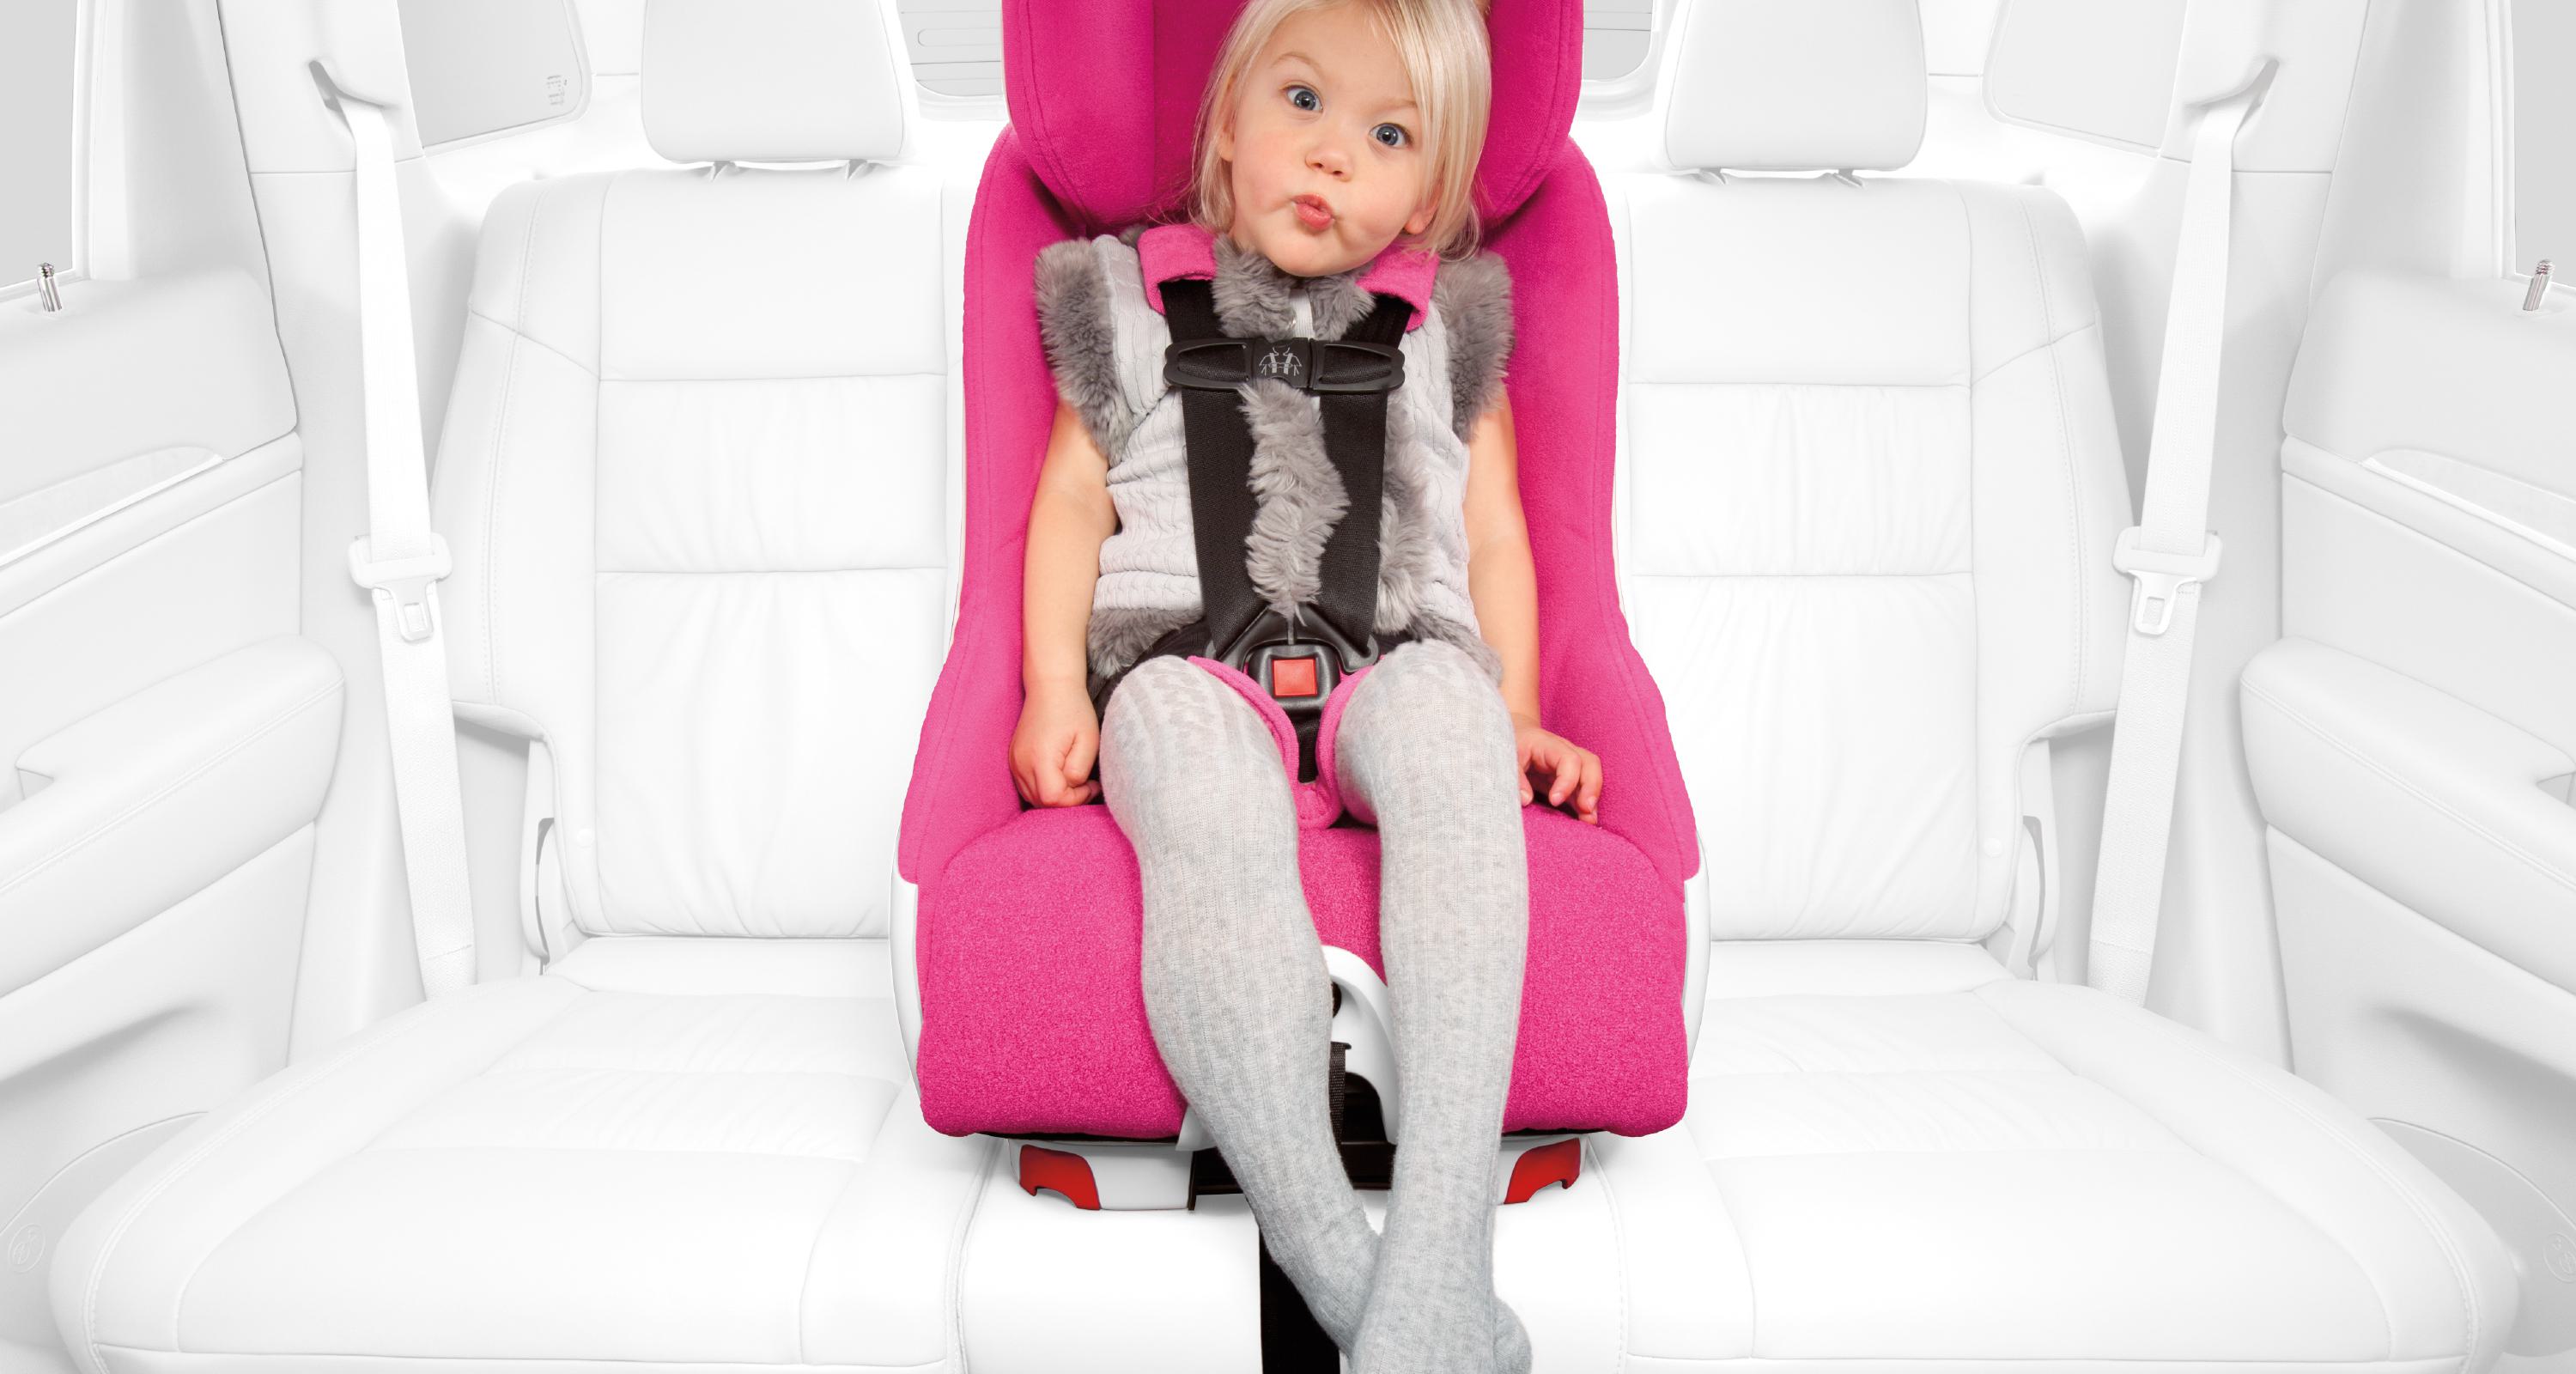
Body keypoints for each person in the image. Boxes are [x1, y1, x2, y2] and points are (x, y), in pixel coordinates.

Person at [1010, 1, 1597, 1367]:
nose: (1334, 156)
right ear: (1226, 128)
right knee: (1188, 767)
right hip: (1180, 657)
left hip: (1398, 654)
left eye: (1387, 134)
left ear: (1427, 191)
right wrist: (1056, 687)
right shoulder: (1125, 296)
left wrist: (1510, 710)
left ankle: (1445, 1243)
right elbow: (1068, 499)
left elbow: (1494, 532)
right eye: (1302, 104)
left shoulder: (1448, 323)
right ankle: (1356, 1278)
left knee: (1453, 735)